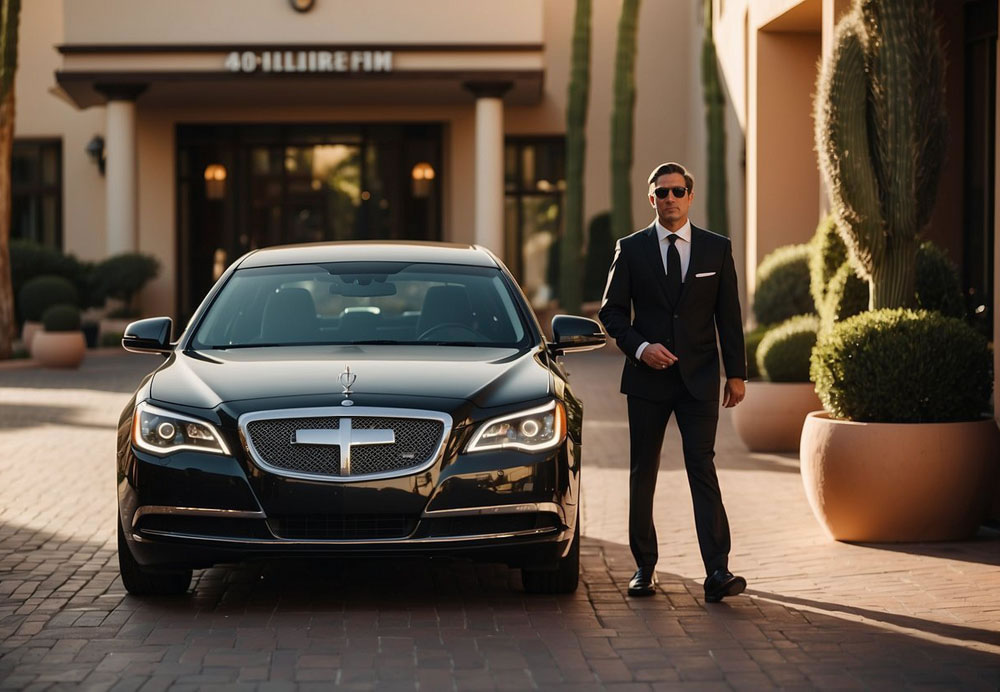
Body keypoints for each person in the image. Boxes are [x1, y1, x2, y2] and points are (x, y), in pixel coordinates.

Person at [598, 162, 747, 602]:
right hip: (647, 380)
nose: (670, 199)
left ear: (690, 196)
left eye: (677, 191)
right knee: (644, 472)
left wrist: (735, 373)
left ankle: (718, 571)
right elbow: (611, 313)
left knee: (702, 468)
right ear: (652, 199)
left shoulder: (716, 250)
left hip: (699, 379)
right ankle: (644, 568)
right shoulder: (631, 248)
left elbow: (729, 316)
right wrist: (641, 347)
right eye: (662, 193)